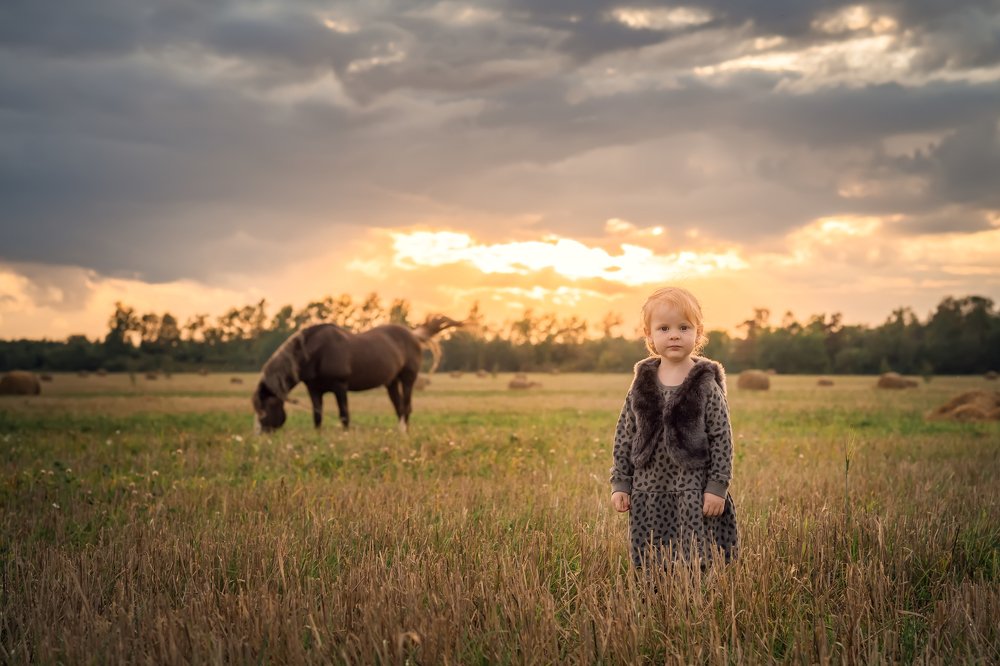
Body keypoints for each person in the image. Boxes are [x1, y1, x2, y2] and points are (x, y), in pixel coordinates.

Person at [610, 286, 738, 570]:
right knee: (650, 560)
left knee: (694, 560)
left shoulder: (704, 384)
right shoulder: (642, 384)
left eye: (684, 327)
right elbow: (624, 435)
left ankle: (694, 604)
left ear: (698, 332)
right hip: (647, 489)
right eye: (664, 328)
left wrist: (717, 487)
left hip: (692, 489)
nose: (674, 334)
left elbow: (722, 438)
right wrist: (621, 482)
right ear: (649, 336)